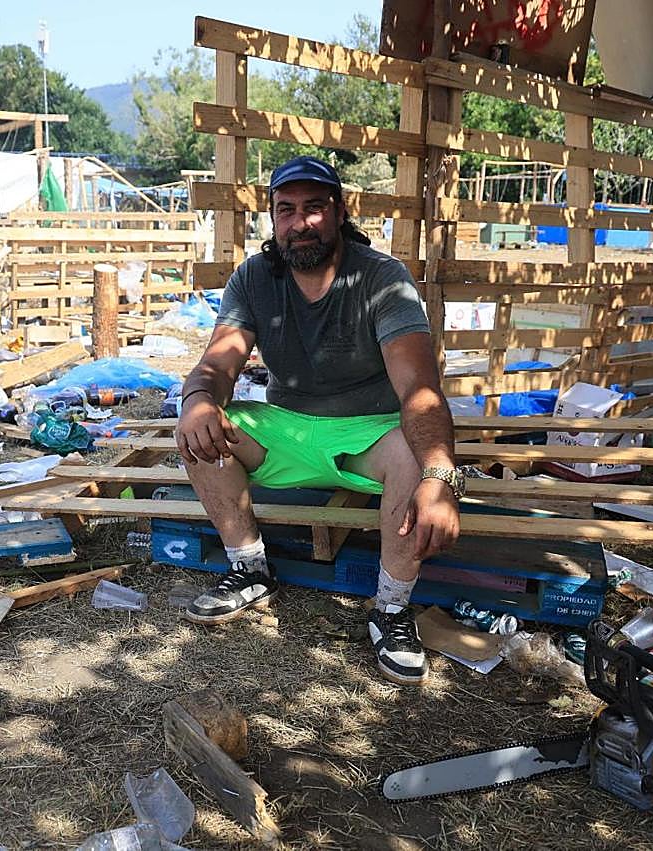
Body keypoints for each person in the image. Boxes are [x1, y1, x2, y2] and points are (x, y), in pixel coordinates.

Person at [174, 155, 464, 685]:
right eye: (286, 210)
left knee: (411, 452)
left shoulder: (381, 278)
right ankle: (248, 569)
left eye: (313, 208)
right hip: (286, 428)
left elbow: (419, 390)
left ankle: (392, 609)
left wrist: (441, 475)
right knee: (206, 424)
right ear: (272, 218)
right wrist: (196, 398)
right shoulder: (255, 278)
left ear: (338, 211)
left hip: (367, 433)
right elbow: (219, 362)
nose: (300, 222)